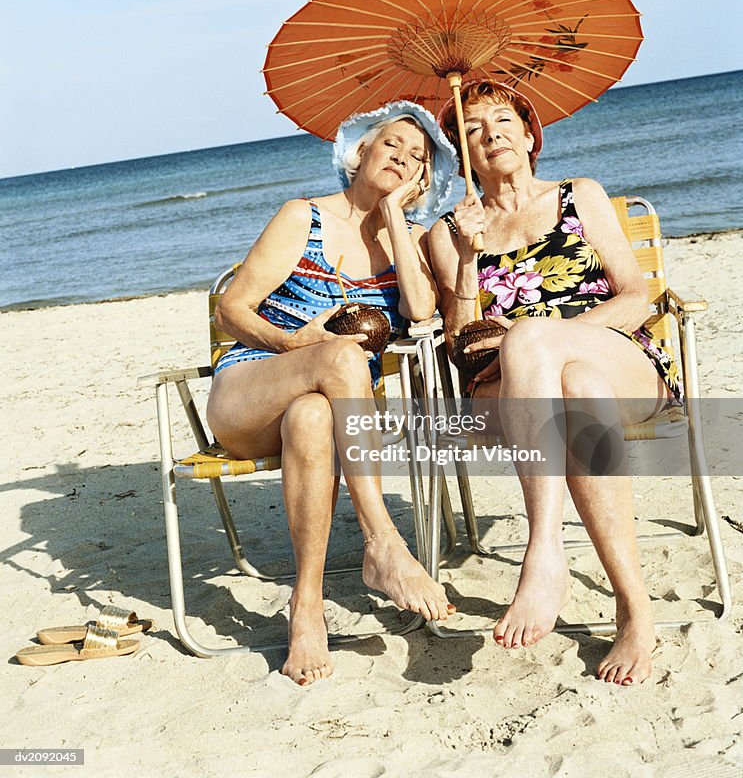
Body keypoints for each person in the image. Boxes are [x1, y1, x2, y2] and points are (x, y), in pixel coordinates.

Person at [429, 79, 680, 687]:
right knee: (577, 389)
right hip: (507, 391)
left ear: (529, 132)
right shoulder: (446, 231)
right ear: (461, 153)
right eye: (472, 128)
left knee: (541, 344)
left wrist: (545, 338)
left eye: (503, 119)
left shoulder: (580, 196)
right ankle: (635, 612)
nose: (491, 134)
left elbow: (635, 295)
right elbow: (463, 343)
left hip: (620, 354)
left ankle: (543, 550)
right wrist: (467, 254)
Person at [206, 101, 458, 686]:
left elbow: (422, 313)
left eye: (417, 157)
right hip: (251, 387)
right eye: (392, 144)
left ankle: (307, 608)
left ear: (423, 180)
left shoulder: (409, 240)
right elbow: (232, 308)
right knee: (343, 356)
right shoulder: (303, 217)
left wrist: (395, 216)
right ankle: (383, 542)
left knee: (314, 417)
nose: (402, 157)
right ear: (360, 151)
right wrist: (296, 345)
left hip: (327, 407)